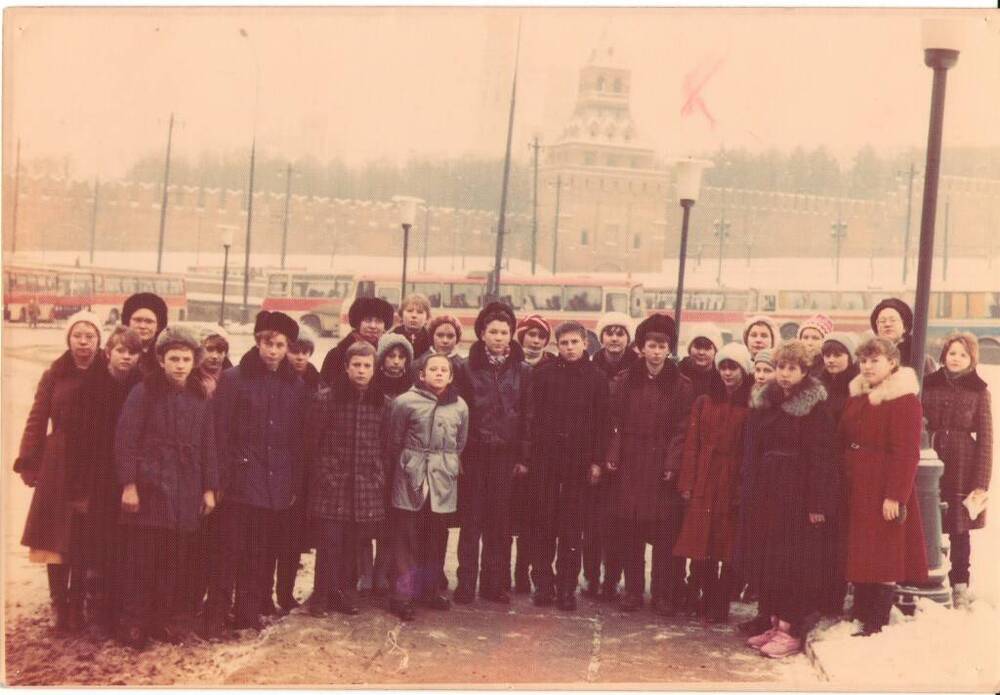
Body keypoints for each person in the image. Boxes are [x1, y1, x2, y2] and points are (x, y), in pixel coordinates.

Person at [114, 326, 218, 649]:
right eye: (173, 358)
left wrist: (209, 489)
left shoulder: (199, 396)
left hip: (185, 491)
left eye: (186, 359)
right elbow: (125, 440)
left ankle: (161, 620)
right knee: (142, 559)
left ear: (194, 361)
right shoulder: (144, 392)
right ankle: (133, 622)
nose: (180, 365)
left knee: (173, 561)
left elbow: (208, 444)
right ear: (161, 359)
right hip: (150, 488)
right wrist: (129, 485)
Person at [204, 311, 306, 638]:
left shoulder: (295, 384)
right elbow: (219, 432)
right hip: (238, 482)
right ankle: (215, 615)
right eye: (267, 343)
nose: (273, 351)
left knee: (257, 552)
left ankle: (246, 613)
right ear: (257, 342)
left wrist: (291, 482)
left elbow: (296, 437)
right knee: (227, 551)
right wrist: (218, 480)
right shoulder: (234, 379)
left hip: (274, 483)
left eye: (280, 345)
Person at [739, 341, 836, 658]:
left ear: (804, 371)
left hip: (797, 494)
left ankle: (790, 629)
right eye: (780, 367)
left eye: (791, 368)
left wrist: (817, 504)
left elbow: (822, 458)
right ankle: (774, 620)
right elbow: (753, 449)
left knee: (793, 563)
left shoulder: (814, 408)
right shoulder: (766, 402)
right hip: (767, 491)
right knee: (771, 561)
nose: (783, 374)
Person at [15, 311, 106, 631]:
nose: (84, 342)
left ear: (99, 340)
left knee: (82, 536)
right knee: (54, 537)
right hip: (59, 463)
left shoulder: (106, 373)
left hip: (93, 462)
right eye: (78, 336)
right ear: (68, 339)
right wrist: (29, 460)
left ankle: (78, 602)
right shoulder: (55, 373)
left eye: (90, 336)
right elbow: (37, 417)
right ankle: (60, 604)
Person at [604, 314, 693, 614]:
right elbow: (613, 421)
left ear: (669, 349)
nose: (656, 352)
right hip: (630, 464)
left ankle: (662, 594)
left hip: (660, 467)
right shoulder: (624, 380)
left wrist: (672, 462)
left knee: (664, 533)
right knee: (630, 531)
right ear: (641, 348)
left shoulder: (681, 386)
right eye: (651, 345)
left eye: (662, 346)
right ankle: (632, 591)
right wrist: (614, 456)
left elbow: (683, 427)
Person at [840, 337, 927, 635]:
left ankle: (876, 619)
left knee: (884, 553)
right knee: (863, 549)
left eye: (874, 360)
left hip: (882, 484)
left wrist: (895, 496)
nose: (867, 366)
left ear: (892, 363)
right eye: (863, 361)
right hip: (858, 483)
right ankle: (862, 611)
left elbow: (906, 453)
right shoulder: (860, 396)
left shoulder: (903, 400)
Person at [64, 326, 143, 638]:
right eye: (121, 351)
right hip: (96, 481)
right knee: (95, 548)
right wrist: (78, 489)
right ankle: (96, 614)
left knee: (124, 549)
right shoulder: (91, 386)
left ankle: (120, 615)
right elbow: (76, 442)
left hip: (127, 481)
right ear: (108, 352)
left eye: (132, 352)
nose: (126, 357)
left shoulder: (141, 387)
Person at [526, 321, 609, 611]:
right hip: (547, 461)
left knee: (572, 529)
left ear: (585, 343)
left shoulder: (597, 379)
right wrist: (531, 456)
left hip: (579, 463)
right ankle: (543, 585)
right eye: (564, 343)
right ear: (556, 346)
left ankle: (566, 588)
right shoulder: (544, 374)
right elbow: (531, 417)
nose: (570, 348)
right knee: (543, 525)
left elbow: (603, 424)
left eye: (575, 342)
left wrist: (597, 461)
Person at [305, 341, 390, 617]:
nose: (362, 371)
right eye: (357, 365)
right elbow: (313, 442)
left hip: (364, 484)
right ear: (346, 367)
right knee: (329, 542)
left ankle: (343, 593)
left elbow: (384, 444)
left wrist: (377, 474)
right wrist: (324, 473)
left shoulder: (382, 403)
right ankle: (320, 595)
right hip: (334, 483)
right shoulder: (326, 399)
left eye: (367, 366)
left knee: (354, 545)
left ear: (375, 369)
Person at [455, 302, 531, 604]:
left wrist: (523, 457)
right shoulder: (465, 367)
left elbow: (528, 416)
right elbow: (459, 412)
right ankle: (465, 583)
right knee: (471, 522)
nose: (499, 337)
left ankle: (494, 583)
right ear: (482, 334)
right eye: (493, 332)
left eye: (504, 332)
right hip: (475, 454)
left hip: (505, 456)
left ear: (512, 335)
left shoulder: (522, 370)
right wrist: (461, 451)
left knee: (499, 524)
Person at [674, 342, 753, 624]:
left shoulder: (751, 404)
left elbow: (750, 450)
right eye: (724, 367)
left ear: (744, 370)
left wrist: (744, 487)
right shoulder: (705, 401)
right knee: (702, 543)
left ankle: (720, 601)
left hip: (732, 477)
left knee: (727, 544)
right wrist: (688, 480)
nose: (728, 373)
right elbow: (692, 444)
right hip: (706, 477)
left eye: (733, 367)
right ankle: (704, 598)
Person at [387, 353, 469, 620]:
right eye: (432, 369)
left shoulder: (459, 406)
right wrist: (410, 463)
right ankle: (402, 596)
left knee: (436, 537)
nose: (438, 374)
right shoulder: (404, 402)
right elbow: (394, 439)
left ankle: (430, 590)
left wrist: (445, 462)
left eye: (443, 370)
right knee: (406, 538)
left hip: (442, 477)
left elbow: (460, 442)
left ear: (451, 375)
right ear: (421, 374)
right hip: (412, 474)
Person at [921, 332, 992, 609]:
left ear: (971, 359)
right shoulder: (929, 384)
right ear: (944, 355)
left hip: (963, 462)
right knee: (929, 518)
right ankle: (926, 570)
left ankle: (960, 582)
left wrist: (981, 482)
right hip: (931, 454)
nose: (956, 358)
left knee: (960, 528)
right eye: (952, 353)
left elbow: (986, 438)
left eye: (963, 354)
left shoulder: (979, 390)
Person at [262, 323, 321, 615]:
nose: (299, 357)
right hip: (278, 467)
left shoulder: (314, 382)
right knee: (270, 539)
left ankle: (285, 593)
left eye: (305, 352)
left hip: (304, 469)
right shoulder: (280, 381)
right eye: (295, 350)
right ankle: (263, 594)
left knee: (292, 541)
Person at [814, 331, 859, 616]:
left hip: (845, 468)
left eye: (837, 354)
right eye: (827, 354)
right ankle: (820, 597)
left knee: (839, 537)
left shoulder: (856, 387)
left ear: (849, 357)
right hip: (820, 466)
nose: (831, 360)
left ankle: (834, 598)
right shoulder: (817, 384)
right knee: (820, 537)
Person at [509, 313, 553, 593]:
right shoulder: (512, 365)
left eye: (541, 337)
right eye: (530, 335)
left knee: (533, 519)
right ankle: (503, 571)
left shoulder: (551, 367)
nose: (535, 342)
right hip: (513, 450)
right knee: (507, 517)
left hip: (542, 453)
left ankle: (524, 571)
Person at [320, 296, 395, 384]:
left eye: (378, 321)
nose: (373, 326)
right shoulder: (337, 354)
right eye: (368, 320)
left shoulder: (388, 354)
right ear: (358, 323)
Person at [122, 292, 169, 375]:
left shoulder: (165, 352)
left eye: (149, 321)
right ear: (128, 322)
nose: (143, 326)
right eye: (137, 320)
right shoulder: (117, 349)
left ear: (158, 326)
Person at [678, 323, 724, 399]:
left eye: (707, 348)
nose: (701, 352)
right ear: (689, 349)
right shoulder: (677, 372)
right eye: (697, 347)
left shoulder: (723, 376)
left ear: (716, 351)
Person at [592, 312, 637, 380]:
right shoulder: (592, 366)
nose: (614, 339)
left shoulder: (638, 367)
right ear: (601, 338)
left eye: (620, 334)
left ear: (628, 339)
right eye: (609, 334)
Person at [391, 292, 432, 359]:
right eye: (409, 311)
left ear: (427, 318)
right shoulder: (392, 336)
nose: (414, 315)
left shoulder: (431, 339)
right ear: (401, 315)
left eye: (419, 312)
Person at [374, 332, 415, 399]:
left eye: (401, 357)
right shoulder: (373, 381)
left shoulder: (413, 383)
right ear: (382, 358)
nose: (396, 361)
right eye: (391, 356)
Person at [197, 326, 233, 398]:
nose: (215, 356)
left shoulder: (234, 379)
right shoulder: (189, 379)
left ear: (225, 353)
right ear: (200, 350)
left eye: (220, 350)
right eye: (210, 349)